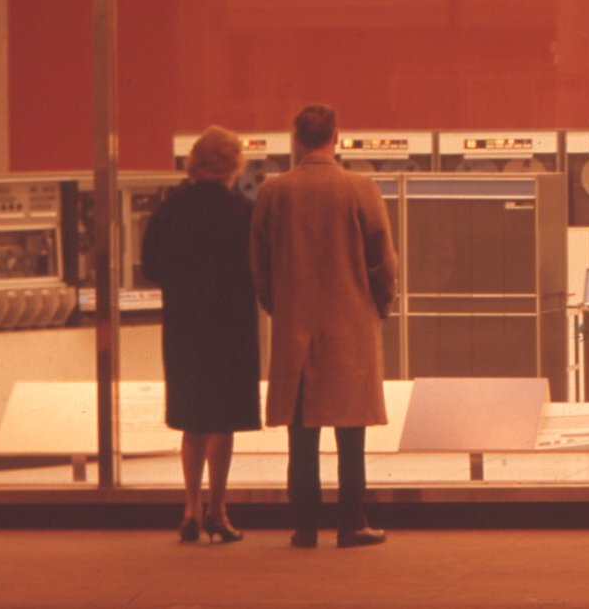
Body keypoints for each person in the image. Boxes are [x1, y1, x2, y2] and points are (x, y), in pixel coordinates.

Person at [251, 104, 399, 549]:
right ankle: (352, 523)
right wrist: (378, 306)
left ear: (296, 138)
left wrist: (280, 305)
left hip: (295, 325)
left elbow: (259, 265)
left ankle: (305, 526)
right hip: (350, 326)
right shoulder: (359, 188)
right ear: (337, 135)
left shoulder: (274, 192)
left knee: (302, 434)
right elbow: (384, 261)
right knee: (350, 432)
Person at [141, 126, 260, 545]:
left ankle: (189, 508)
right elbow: (257, 269)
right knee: (220, 423)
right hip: (229, 325)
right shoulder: (243, 211)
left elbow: (151, 266)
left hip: (185, 323)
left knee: (191, 420)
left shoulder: (170, 209)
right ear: (233, 164)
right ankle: (218, 510)